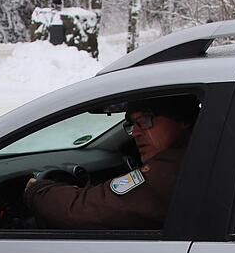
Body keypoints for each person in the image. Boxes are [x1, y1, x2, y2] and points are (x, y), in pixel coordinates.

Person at [24, 95, 201, 229]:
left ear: (182, 120)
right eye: (133, 125)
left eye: (145, 121)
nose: (136, 134)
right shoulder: (201, 155)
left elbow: (82, 210)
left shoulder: (169, 172)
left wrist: (38, 190)